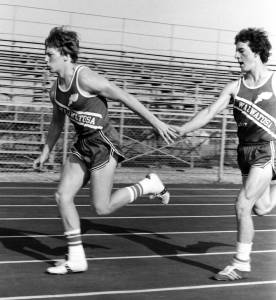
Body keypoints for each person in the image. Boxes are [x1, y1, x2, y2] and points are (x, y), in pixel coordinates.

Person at [33, 26, 177, 275]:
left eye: (49, 54)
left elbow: (124, 96)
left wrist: (157, 122)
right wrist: (46, 150)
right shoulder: (54, 90)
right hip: (82, 143)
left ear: (66, 55)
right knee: (62, 196)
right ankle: (76, 259)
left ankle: (148, 185)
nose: (45, 59)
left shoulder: (86, 78)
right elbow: (57, 122)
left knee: (102, 207)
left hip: (104, 143)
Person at [173, 27, 276, 280]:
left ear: (258, 52)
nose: (237, 56)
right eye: (236, 52)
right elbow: (208, 112)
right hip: (245, 153)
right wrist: (182, 129)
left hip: (268, 150)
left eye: (241, 51)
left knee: (242, 204)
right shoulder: (233, 87)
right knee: (261, 208)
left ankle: (241, 263)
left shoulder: (274, 82)